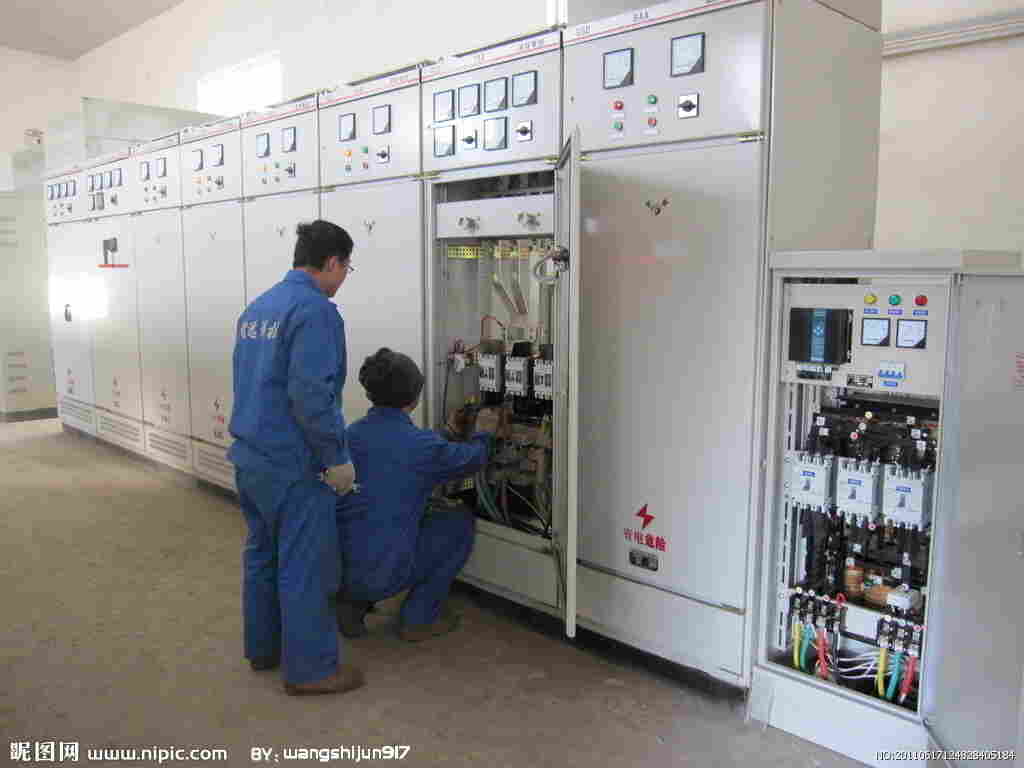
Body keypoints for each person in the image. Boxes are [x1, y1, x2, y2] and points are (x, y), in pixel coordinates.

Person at [228, 220, 364, 696]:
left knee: (262, 555)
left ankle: (264, 649)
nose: (344, 278)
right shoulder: (316, 312)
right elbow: (311, 395)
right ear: (332, 262)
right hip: (295, 465)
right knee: (305, 565)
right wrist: (336, 458)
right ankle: (311, 670)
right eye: (346, 268)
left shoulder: (258, 308)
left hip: (251, 458)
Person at [335, 348, 503, 642]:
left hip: (337, 571)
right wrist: (484, 432)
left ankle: (352, 603)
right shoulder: (420, 446)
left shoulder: (350, 435)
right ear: (415, 397)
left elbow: (409, 454)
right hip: (382, 574)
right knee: (458, 521)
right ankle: (419, 618)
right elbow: (472, 459)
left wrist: (449, 430)